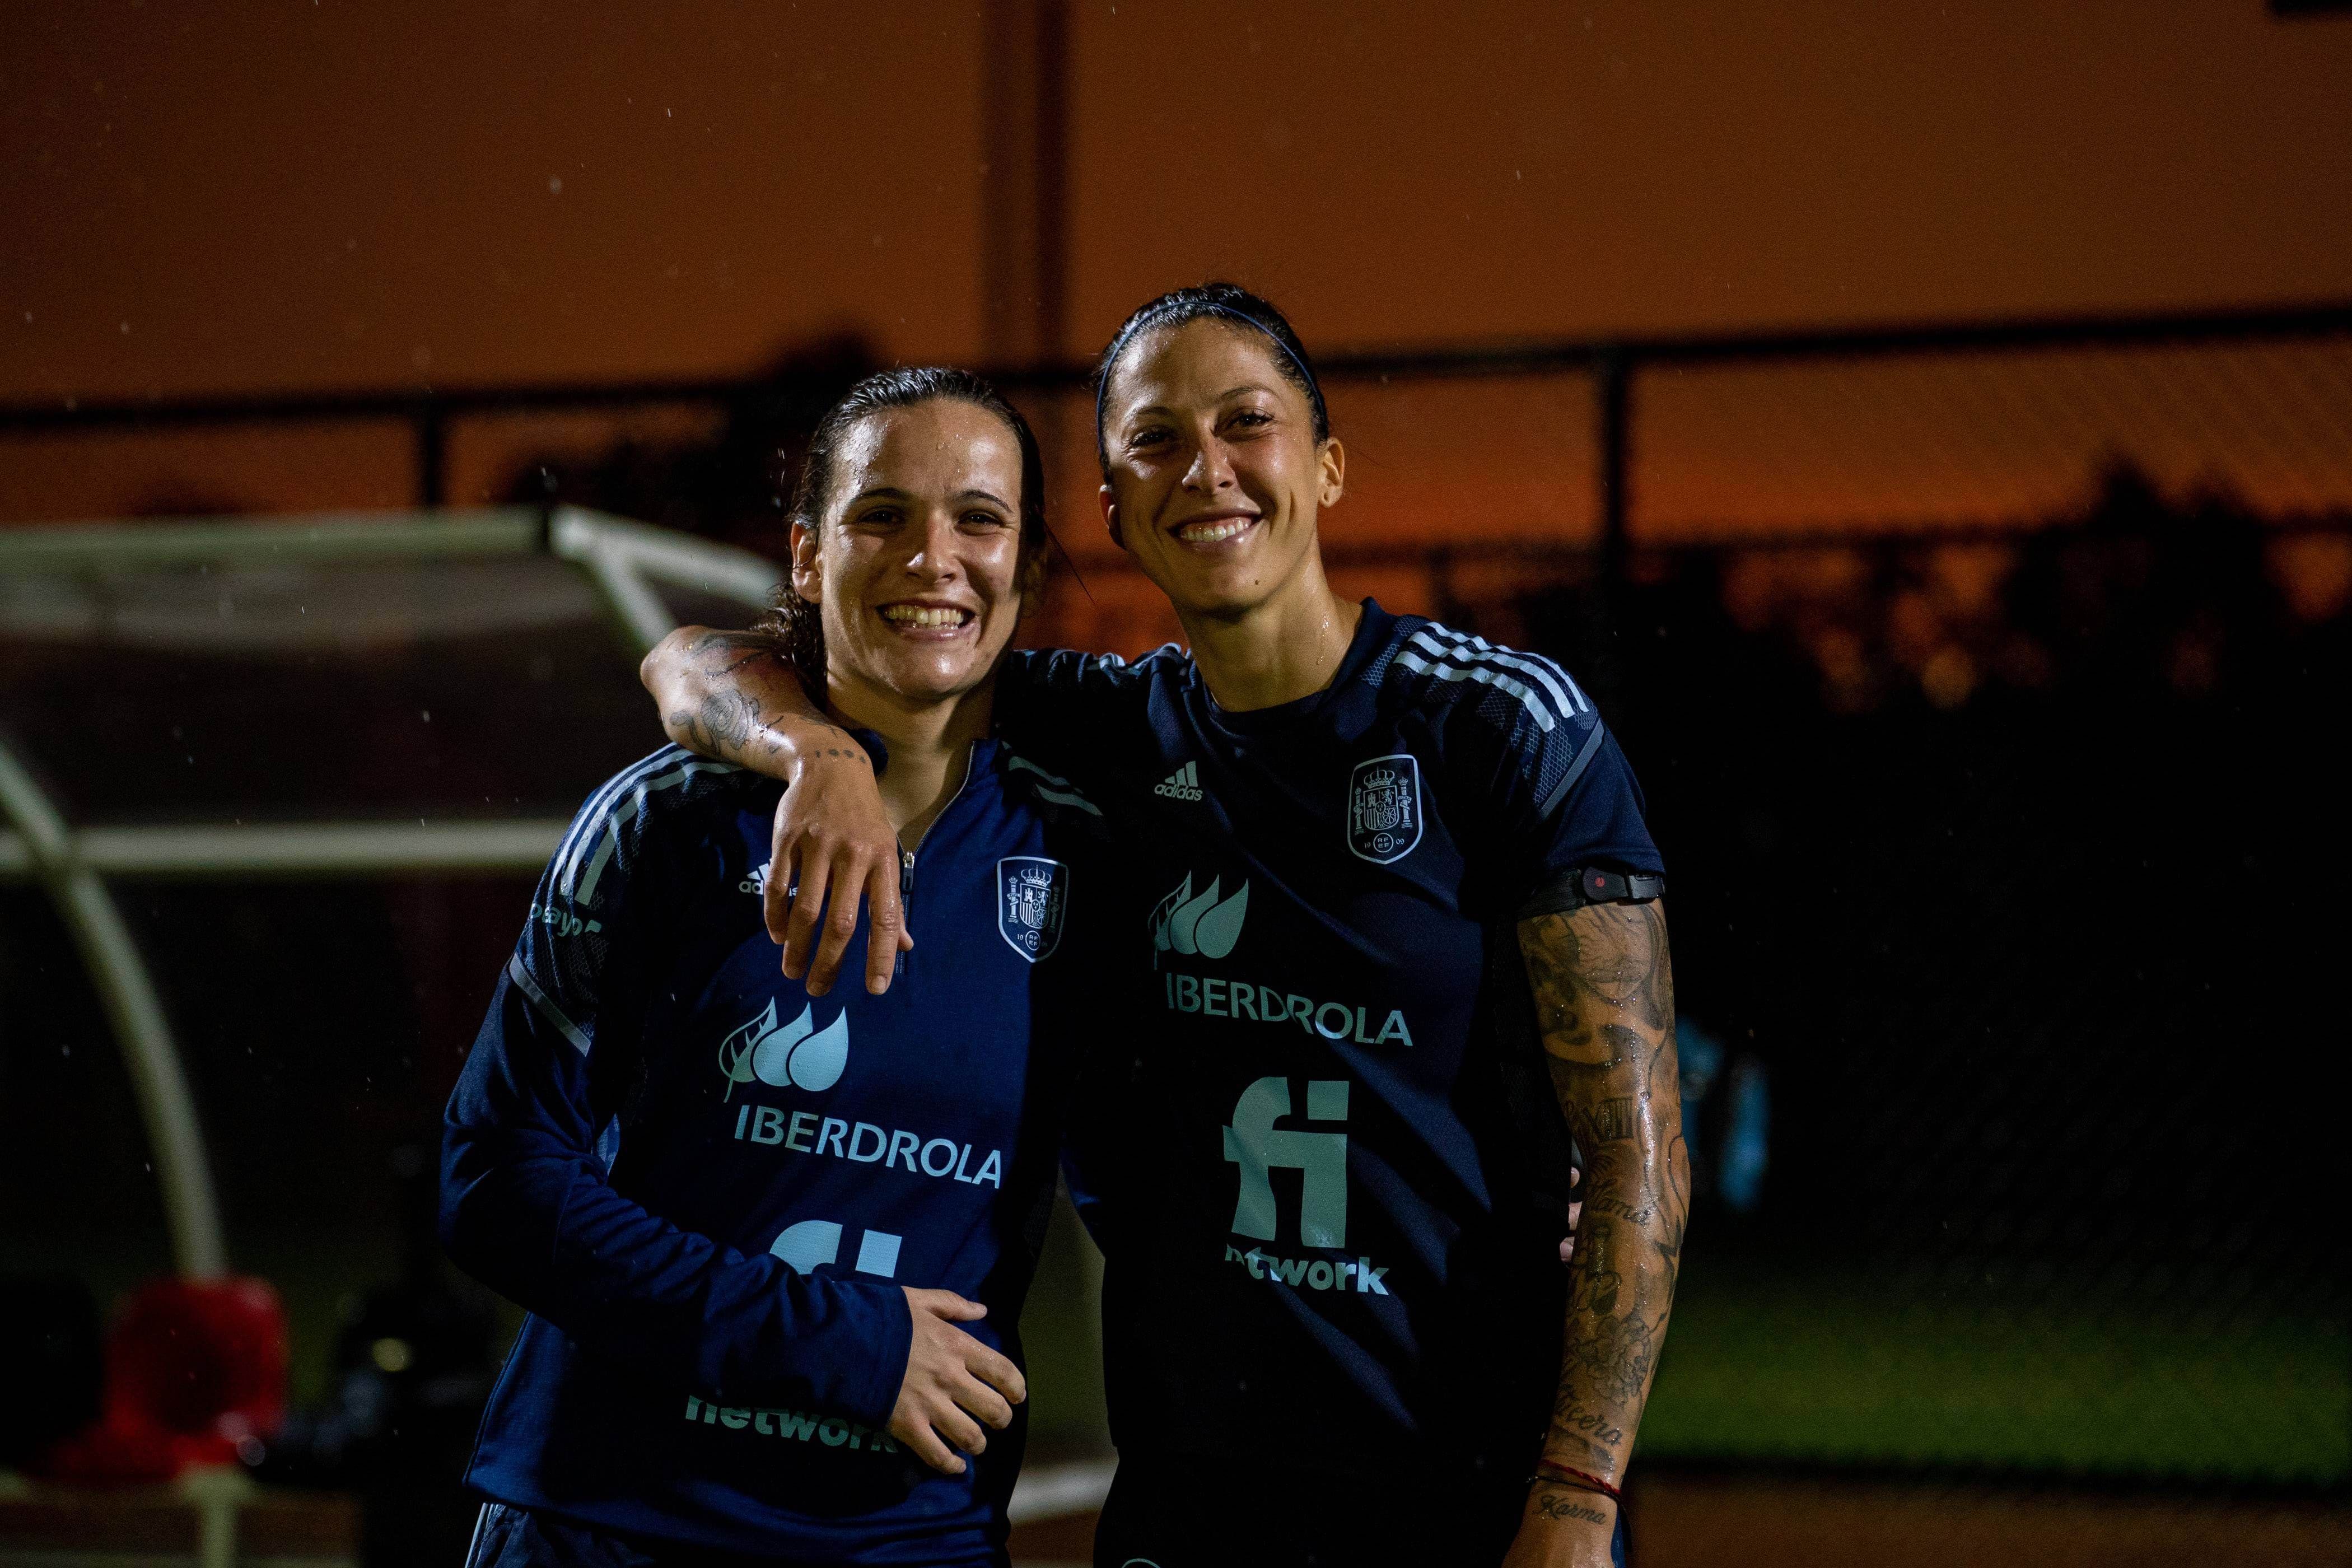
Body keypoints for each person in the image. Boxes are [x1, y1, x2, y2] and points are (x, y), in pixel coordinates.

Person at [642, 284, 1686, 1568]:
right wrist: (816, 754)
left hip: (1461, 1477)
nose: (1208, 469)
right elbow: (697, 656)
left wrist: (1578, 1493)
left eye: (1246, 422)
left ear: (1329, 464)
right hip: (1200, 1481)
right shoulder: (1106, 732)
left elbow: (1636, 1152)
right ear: (1114, 511)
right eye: (1153, 439)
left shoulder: (1500, 728)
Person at [442, 367, 1127, 1566]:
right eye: (882, 515)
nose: (933, 556)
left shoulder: (1085, 851)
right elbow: (493, 1179)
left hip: (904, 1537)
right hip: (612, 1519)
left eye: (979, 518)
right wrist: (841, 1340)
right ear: (807, 558)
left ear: (1024, 563)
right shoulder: (668, 822)